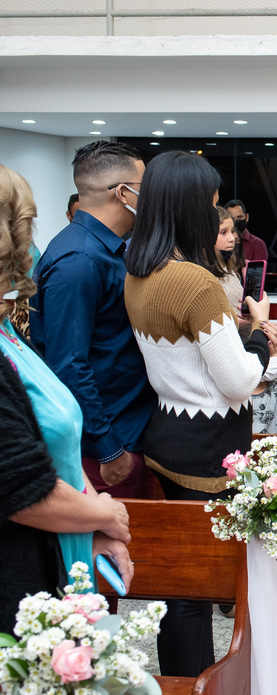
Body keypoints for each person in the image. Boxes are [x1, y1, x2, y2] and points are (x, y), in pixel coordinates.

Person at [1, 161, 133, 695]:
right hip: (19, 577)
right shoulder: (78, 263)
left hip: (55, 547)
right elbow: (17, 487)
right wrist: (103, 513)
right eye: (24, 229)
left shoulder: (6, 327)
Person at [124, 151, 277, 679]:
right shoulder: (195, 281)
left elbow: (186, 359)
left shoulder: (139, 269)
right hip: (209, 446)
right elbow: (238, 380)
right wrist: (259, 334)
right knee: (200, 586)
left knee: (179, 586)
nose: (222, 220)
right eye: (213, 207)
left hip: (166, 434)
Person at [30, 140, 159, 500]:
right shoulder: (79, 260)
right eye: (144, 187)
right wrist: (107, 447)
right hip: (106, 445)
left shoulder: (108, 248)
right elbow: (68, 364)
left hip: (129, 430)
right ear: (123, 193)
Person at [214, 204, 247, 318]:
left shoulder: (229, 268)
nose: (232, 238)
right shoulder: (203, 274)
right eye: (223, 232)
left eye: (232, 231)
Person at [224, 198, 268, 264]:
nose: (236, 221)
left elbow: (256, 273)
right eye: (232, 218)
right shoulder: (221, 242)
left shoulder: (258, 244)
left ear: (246, 217)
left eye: (239, 217)